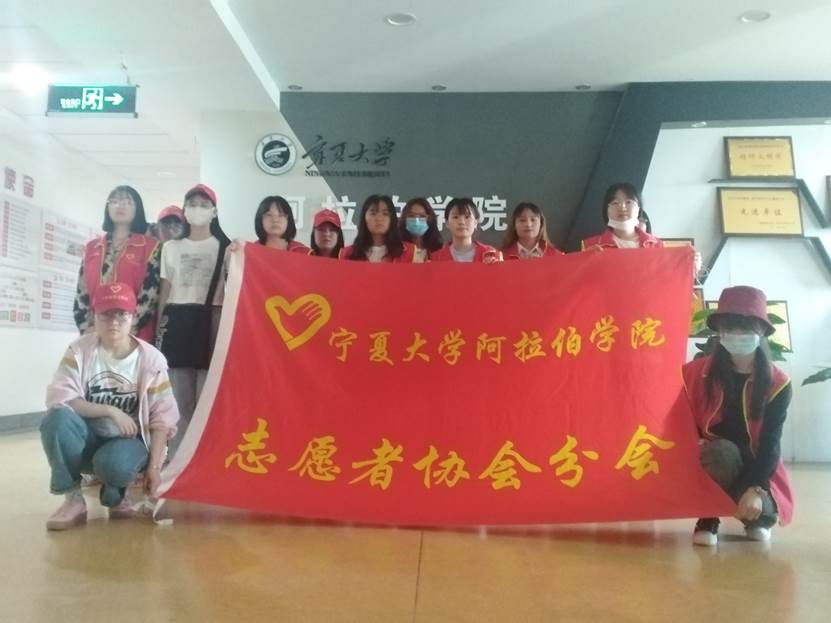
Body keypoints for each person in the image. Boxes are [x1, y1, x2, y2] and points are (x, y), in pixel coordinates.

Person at [40, 282, 179, 530]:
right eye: (106, 314)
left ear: (132, 318)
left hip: (128, 443)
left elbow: (163, 419)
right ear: (94, 316)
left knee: (114, 465)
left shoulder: (151, 360)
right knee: (56, 419)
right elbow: (63, 397)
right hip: (86, 440)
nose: (114, 322)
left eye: (122, 314)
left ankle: (116, 493)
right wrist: (110, 411)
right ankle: (73, 499)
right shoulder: (79, 351)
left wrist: (155, 467)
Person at [682, 285, 793, 546]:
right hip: (715, 459)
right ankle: (708, 517)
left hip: (756, 466)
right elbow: (679, 422)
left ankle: (752, 517)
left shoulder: (778, 384)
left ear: (762, 331)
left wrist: (756, 488)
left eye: (745, 327)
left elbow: (770, 444)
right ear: (720, 331)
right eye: (730, 327)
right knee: (720, 452)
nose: (737, 335)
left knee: (764, 515)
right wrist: (694, 442)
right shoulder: (694, 375)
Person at [156, 184, 230, 454]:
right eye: (192, 204)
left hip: (212, 320)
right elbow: (165, 289)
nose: (197, 209)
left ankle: (204, 457)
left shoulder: (226, 248)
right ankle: (178, 459)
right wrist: (159, 328)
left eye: (204, 204)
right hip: (177, 319)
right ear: (185, 210)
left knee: (207, 397)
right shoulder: (170, 248)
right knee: (178, 398)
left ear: (214, 212)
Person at [74, 185, 160, 343]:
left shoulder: (150, 247)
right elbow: (81, 292)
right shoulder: (92, 247)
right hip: (95, 333)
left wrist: (125, 327)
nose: (120, 205)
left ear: (137, 209)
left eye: (127, 202)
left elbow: (150, 296)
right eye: (114, 201)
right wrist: (87, 327)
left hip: (133, 335)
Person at [580, 183, 663, 250]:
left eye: (628, 202)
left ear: (638, 208)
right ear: (606, 210)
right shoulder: (590, 245)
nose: (622, 207)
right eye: (615, 203)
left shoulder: (657, 245)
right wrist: (586, 259)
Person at [339, 195, 416, 262]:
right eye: (373, 213)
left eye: (385, 214)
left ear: (392, 219)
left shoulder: (409, 252)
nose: (379, 218)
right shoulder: (348, 254)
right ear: (364, 218)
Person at [430, 197, 502, 262]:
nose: (461, 222)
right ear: (447, 223)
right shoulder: (436, 258)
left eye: (467, 217)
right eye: (455, 217)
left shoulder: (490, 253)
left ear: (476, 222)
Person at [399, 197, 444, 263]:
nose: (417, 221)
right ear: (404, 219)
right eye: (411, 216)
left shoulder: (439, 251)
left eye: (422, 216)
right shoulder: (398, 249)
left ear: (430, 219)